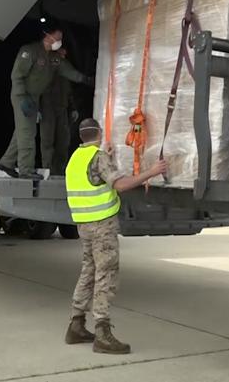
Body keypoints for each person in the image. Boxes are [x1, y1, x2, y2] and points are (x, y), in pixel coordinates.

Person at [64, 118, 167, 354]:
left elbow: (92, 179)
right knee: (105, 274)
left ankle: (76, 324)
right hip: (102, 225)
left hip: (84, 225)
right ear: (100, 133)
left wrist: (106, 156)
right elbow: (120, 185)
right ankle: (102, 332)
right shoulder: (99, 158)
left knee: (88, 271)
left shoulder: (75, 159)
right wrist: (151, 172)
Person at [0, 26, 92, 180]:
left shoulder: (53, 57)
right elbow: (17, 75)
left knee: (22, 131)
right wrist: (22, 96)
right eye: (57, 38)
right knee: (27, 134)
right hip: (23, 97)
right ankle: (26, 171)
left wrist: (84, 79)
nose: (59, 42)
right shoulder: (30, 51)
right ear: (47, 36)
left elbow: (67, 70)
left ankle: (7, 163)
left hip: (34, 98)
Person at [40, 47, 80, 175]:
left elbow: (69, 91)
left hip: (62, 109)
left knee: (63, 142)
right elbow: (37, 90)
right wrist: (37, 109)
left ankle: (61, 171)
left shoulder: (64, 71)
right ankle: (48, 170)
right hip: (47, 109)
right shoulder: (45, 69)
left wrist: (73, 108)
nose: (63, 55)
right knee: (47, 142)